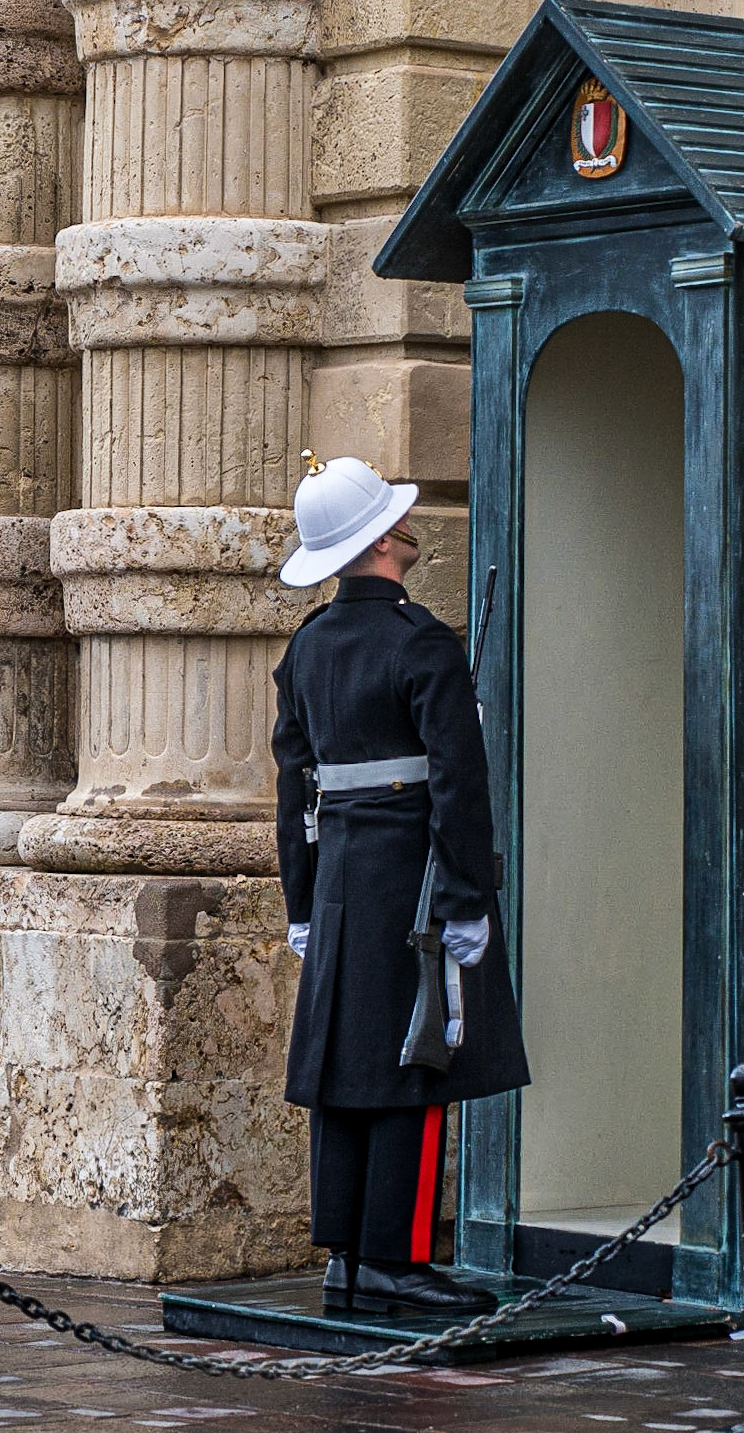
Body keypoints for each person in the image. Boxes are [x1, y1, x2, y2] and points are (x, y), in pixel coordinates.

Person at [273, 451, 530, 1316]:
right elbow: (460, 783)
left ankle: (347, 1253)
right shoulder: (421, 640)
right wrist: (463, 897)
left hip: (343, 881)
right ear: (382, 540)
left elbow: (294, 787)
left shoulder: (308, 645)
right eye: (396, 516)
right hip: (413, 878)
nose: (409, 523)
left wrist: (302, 901)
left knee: (349, 1067)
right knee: (417, 1063)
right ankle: (396, 1255)